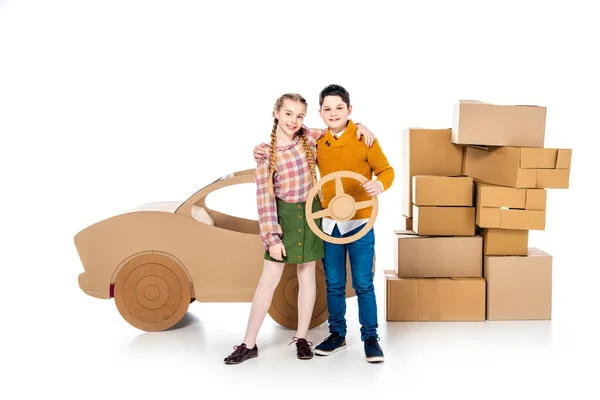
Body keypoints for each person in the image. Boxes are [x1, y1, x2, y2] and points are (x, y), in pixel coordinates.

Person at [223, 93, 374, 365]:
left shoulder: (308, 137)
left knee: (307, 275)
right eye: (289, 113)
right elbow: (265, 199)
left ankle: (302, 337)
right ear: (276, 113)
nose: (294, 120)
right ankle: (248, 343)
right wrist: (273, 238)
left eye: (300, 115)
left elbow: (337, 129)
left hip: (313, 215)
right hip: (286, 219)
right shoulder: (266, 155)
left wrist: (360, 125)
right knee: (269, 279)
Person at [253, 84, 394, 363]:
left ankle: (370, 337)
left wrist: (379, 184)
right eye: (327, 109)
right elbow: (287, 140)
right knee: (333, 282)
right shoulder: (317, 141)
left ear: (349, 110)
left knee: (364, 283)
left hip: (361, 223)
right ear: (320, 113)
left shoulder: (365, 139)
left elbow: (387, 171)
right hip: (328, 224)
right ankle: (337, 334)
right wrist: (262, 149)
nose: (333, 113)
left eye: (339, 108)